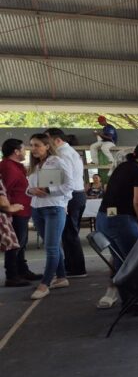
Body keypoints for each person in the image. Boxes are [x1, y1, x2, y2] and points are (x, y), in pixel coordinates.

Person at [95, 141, 138, 308]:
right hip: (121, 221)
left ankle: (128, 300)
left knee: (120, 260)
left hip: (103, 218)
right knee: (136, 260)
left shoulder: (122, 167)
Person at [26, 133, 75, 300]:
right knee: (53, 246)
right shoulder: (34, 165)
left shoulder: (58, 161)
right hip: (37, 208)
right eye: (31, 145)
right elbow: (29, 187)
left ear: (47, 146)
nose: (33, 148)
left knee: (51, 247)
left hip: (54, 208)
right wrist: (30, 191)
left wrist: (48, 191)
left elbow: (69, 186)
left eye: (37, 145)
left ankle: (44, 283)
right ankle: (61, 277)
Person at [45, 128, 87, 278]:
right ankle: (72, 265)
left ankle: (76, 268)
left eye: (46, 141)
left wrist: (63, 202)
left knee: (69, 234)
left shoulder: (62, 154)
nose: (45, 144)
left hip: (71, 196)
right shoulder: (70, 152)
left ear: (57, 140)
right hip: (76, 194)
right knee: (69, 233)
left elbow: (65, 181)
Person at [0, 139, 40, 287]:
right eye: (23, 149)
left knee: (21, 244)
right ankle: (12, 275)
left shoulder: (15, 166)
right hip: (15, 212)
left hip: (22, 210)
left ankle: (22, 270)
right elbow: (4, 190)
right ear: (16, 151)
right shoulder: (8, 167)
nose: (25, 152)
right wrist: (8, 209)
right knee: (15, 245)